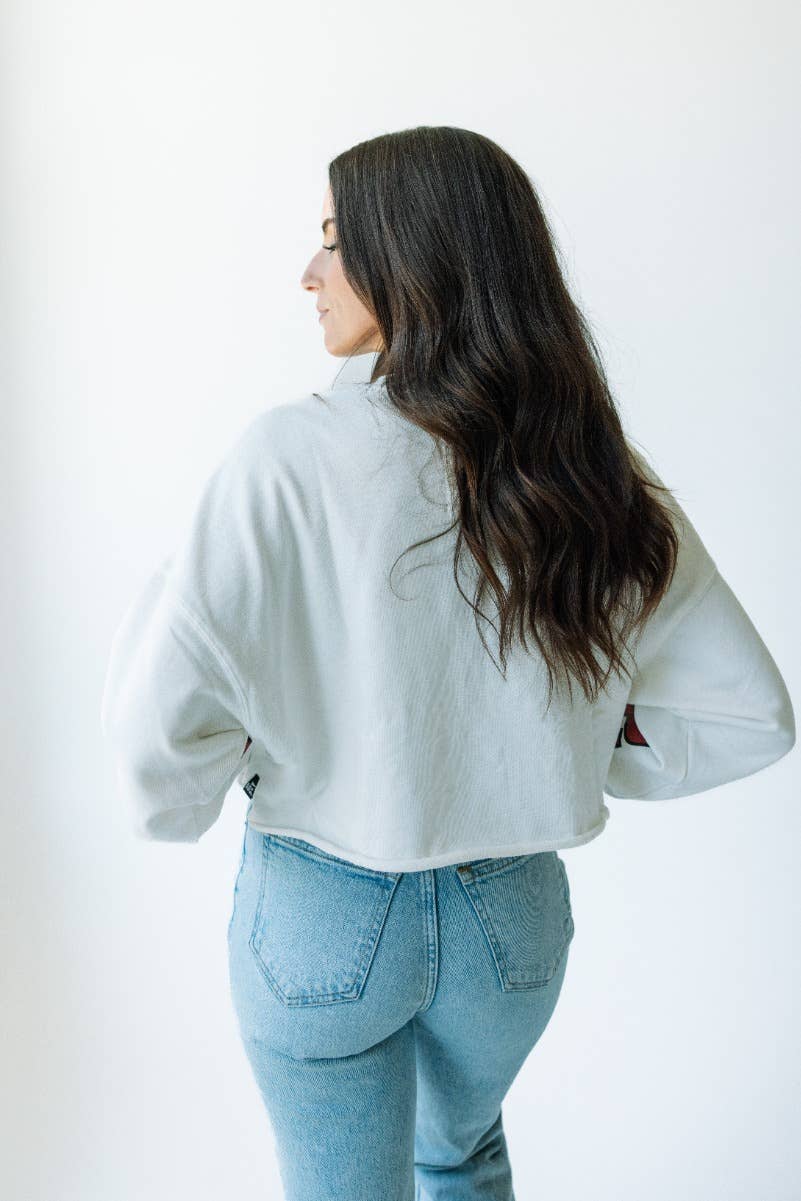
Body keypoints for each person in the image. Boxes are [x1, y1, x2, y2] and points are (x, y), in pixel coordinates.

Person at [100, 126, 795, 1201]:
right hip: (509, 930)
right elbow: (750, 716)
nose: (309, 272)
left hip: (323, 916)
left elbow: (158, 737)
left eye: (336, 240)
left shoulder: (288, 458)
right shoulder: (588, 467)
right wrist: (572, 737)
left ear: (410, 255)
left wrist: (238, 760)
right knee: (461, 1158)